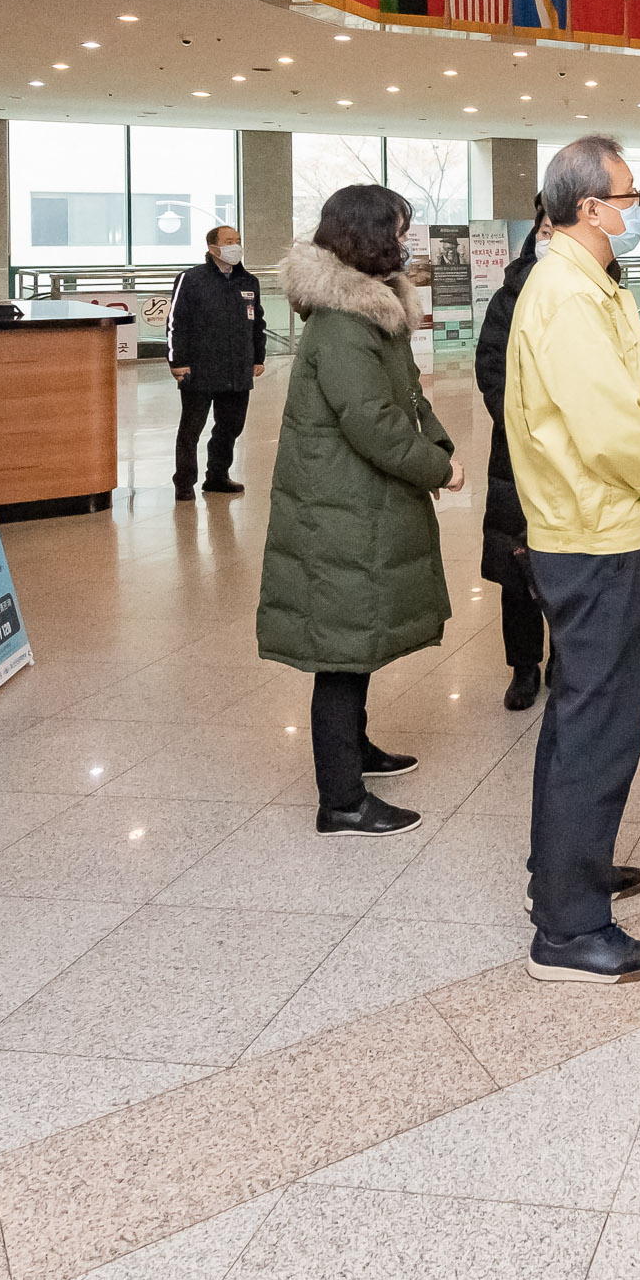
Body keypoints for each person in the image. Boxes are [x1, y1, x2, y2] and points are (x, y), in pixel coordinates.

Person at [508, 136, 640, 983]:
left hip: (593, 525)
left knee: (583, 714)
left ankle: (563, 874)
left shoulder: (586, 284)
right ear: (588, 209)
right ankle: (569, 928)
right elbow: (611, 425)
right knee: (599, 723)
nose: (634, 209)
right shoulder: (568, 296)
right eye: (626, 196)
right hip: (597, 532)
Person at [255, 185, 463, 838]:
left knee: (358, 634)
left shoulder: (372, 313)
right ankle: (340, 799)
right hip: (338, 509)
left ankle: (358, 752)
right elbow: (371, 422)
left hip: (357, 502)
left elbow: (405, 396)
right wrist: (435, 466)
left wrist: (440, 446)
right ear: (369, 236)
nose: (407, 243)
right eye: (399, 231)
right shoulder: (342, 325)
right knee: (341, 649)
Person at [474, 208, 551, 710]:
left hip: (579, 457)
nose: (550, 241)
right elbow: (491, 368)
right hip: (517, 456)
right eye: (544, 233)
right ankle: (524, 666)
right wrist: (526, 425)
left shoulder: (605, 295)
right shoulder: (509, 297)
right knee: (516, 565)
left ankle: (566, 657)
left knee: (567, 565)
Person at [167, 223, 266, 500]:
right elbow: (176, 322)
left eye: (238, 240)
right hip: (199, 369)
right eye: (229, 241)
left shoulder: (248, 281)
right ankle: (184, 483)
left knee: (231, 426)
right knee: (191, 429)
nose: (236, 245)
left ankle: (217, 476)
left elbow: (257, 323)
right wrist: (177, 361)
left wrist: (258, 356)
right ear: (213, 248)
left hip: (237, 368)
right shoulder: (192, 279)